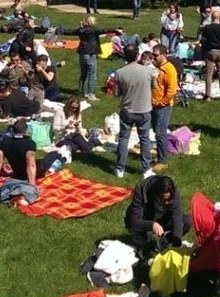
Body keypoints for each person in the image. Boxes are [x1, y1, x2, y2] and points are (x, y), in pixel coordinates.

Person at [113, 44, 157, 179]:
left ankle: (120, 168)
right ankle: (146, 169)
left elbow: (116, 93)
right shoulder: (149, 72)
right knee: (144, 140)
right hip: (144, 109)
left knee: (124, 138)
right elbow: (154, 87)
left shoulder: (119, 73)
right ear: (138, 55)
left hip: (127, 110)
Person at [124, 174, 191, 252]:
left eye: (169, 200)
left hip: (162, 218)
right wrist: (152, 225)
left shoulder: (173, 192)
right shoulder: (141, 191)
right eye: (163, 199)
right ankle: (139, 247)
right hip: (143, 220)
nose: (167, 203)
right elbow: (134, 221)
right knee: (141, 240)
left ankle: (163, 243)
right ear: (155, 194)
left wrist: (176, 243)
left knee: (187, 222)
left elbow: (177, 217)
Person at [0, 118, 62, 184]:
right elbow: (31, 164)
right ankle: (62, 157)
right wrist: (31, 184)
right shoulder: (29, 144)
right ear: (25, 130)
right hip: (32, 172)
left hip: (17, 172)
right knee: (54, 154)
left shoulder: (4, 142)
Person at [64, 16, 107, 102]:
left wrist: (80, 26)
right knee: (92, 75)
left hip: (82, 54)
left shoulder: (81, 30)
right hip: (91, 55)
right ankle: (90, 94)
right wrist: (116, 30)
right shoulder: (93, 30)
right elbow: (104, 30)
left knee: (83, 74)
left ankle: (81, 91)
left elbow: (71, 31)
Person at [150, 45, 178, 167]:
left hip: (163, 106)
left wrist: (162, 102)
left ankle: (163, 161)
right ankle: (160, 155)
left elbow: (172, 91)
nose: (153, 57)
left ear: (164, 55)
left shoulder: (169, 69)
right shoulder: (156, 67)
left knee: (161, 133)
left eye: (156, 55)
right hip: (153, 104)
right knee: (156, 131)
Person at [200, 9, 220, 101]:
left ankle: (208, 95)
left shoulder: (207, 27)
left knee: (209, 73)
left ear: (211, 17)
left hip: (210, 51)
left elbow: (203, 40)